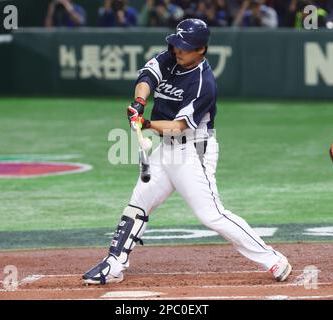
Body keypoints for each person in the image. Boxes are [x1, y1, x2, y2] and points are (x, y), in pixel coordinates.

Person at [82, 18, 292, 285]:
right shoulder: (172, 58)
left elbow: (178, 127)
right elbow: (147, 77)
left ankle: (273, 259)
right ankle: (114, 263)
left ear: (201, 49)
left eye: (184, 47)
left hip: (193, 152)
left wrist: (144, 123)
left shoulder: (204, 84)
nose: (177, 50)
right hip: (165, 151)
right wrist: (138, 102)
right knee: (138, 203)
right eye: (176, 44)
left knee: (211, 214)